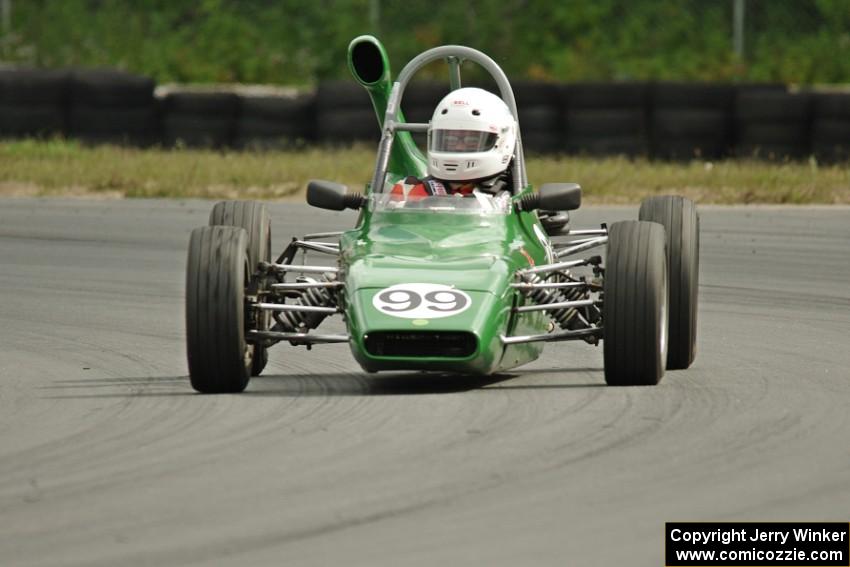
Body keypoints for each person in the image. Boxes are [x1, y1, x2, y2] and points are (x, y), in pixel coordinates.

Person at [390, 87, 517, 201]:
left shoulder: (509, 198)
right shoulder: (409, 192)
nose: (459, 147)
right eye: (450, 141)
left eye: (471, 141)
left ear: (501, 142)